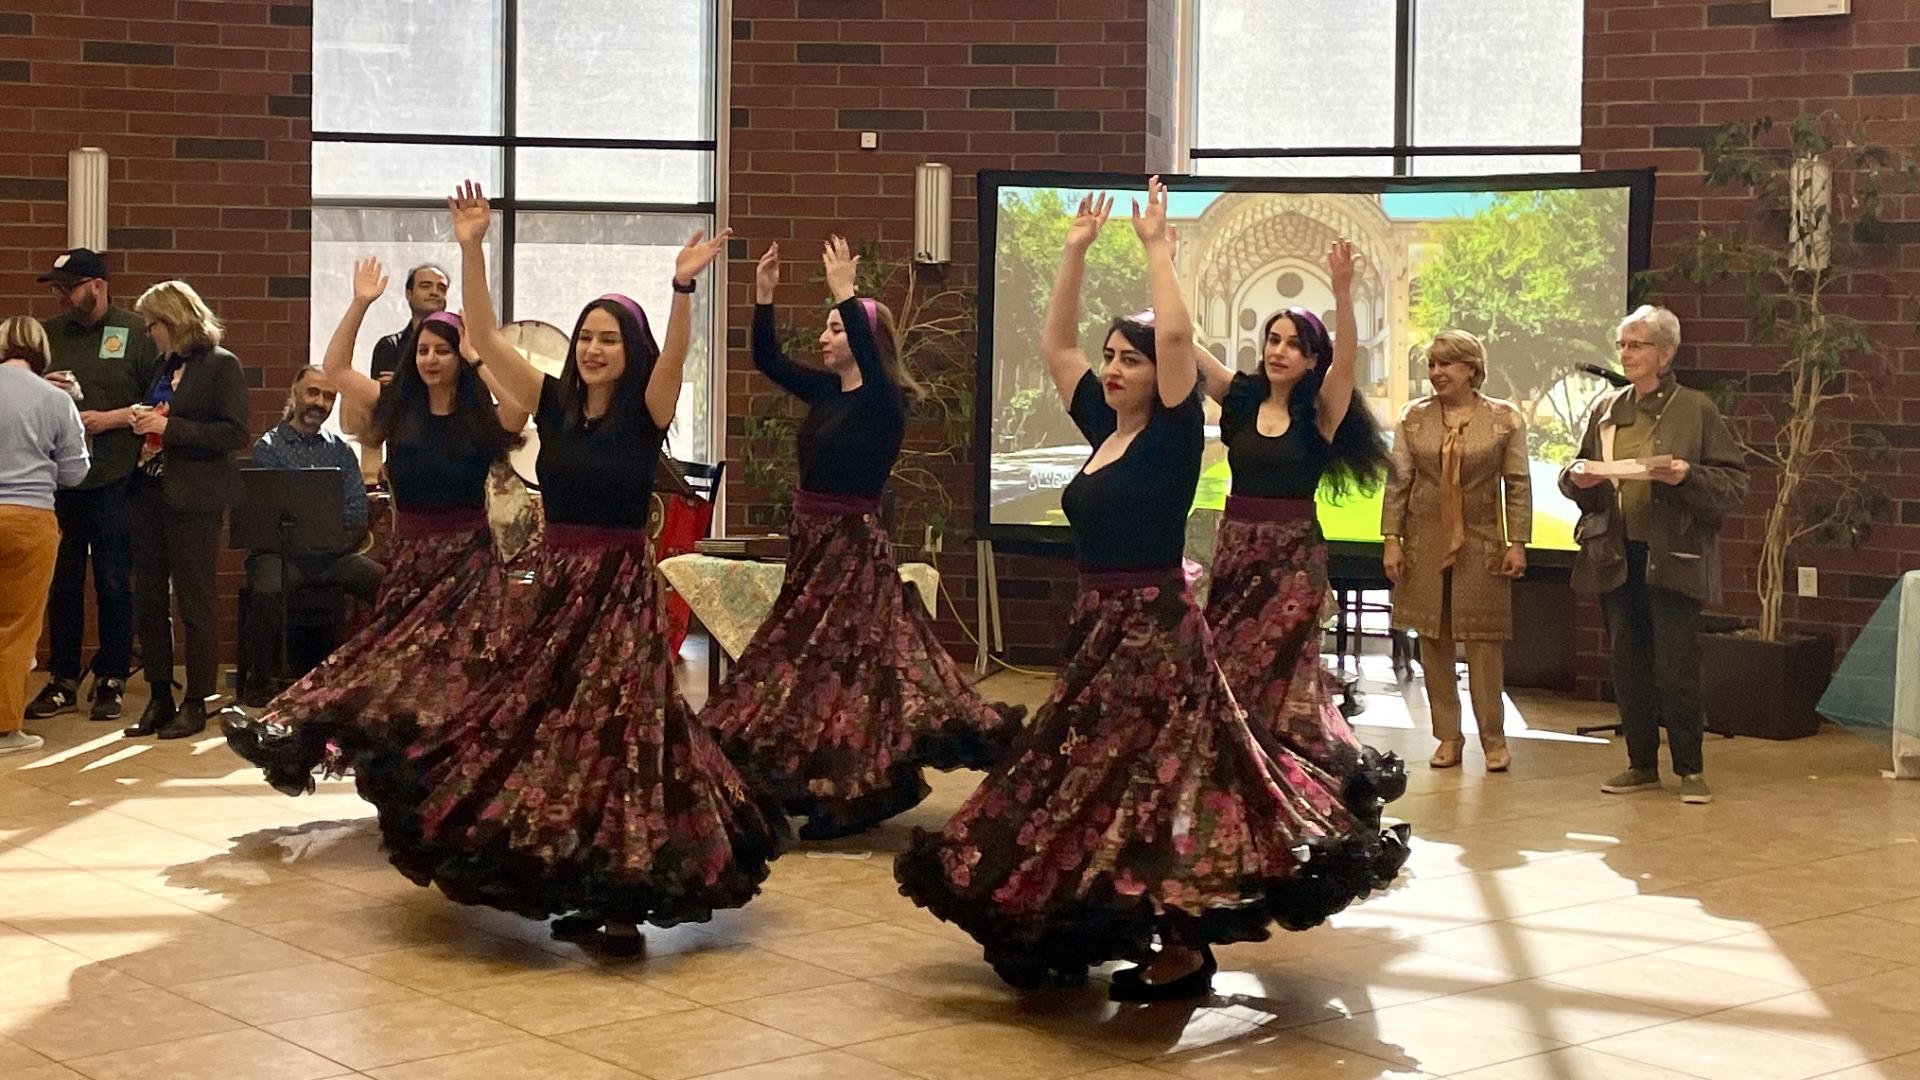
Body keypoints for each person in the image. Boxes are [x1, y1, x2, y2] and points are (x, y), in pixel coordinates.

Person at [896, 181, 1407, 1002]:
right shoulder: (1105, 428)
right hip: (1100, 632)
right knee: (1093, 776)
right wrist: (1072, 254)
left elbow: (1175, 334)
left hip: (1158, 636)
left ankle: (1179, 946)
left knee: (1162, 779)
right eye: (1110, 359)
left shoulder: (1172, 431)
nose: (1113, 368)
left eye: (1128, 359)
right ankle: (1103, 915)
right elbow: (1055, 345)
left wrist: (1157, 250)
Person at [344, 181, 781, 958]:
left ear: (630, 349)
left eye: (608, 337)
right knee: (551, 735)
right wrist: (473, 248)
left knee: (620, 738)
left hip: (618, 593)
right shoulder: (548, 402)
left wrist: (681, 289)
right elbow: (480, 331)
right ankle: (580, 877)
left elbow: (676, 354)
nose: (593, 347)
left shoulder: (647, 411)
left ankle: (622, 899)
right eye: (586, 336)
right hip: (556, 586)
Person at [700, 237, 1025, 840]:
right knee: (806, 665)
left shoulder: (882, 399)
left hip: (850, 549)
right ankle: (813, 780)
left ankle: (851, 791)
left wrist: (847, 292)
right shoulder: (827, 392)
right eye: (825, 328)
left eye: (836, 328)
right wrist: (763, 297)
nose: (824, 338)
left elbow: (874, 371)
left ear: (865, 342)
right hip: (811, 546)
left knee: (843, 668)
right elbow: (769, 361)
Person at [224, 265, 526, 794]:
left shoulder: (479, 420)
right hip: (412, 562)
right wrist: (361, 303)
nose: (430, 359)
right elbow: (337, 367)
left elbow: (521, 406)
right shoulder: (397, 409)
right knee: (375, 662)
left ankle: (454, 777)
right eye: (423, 350)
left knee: (454, 677)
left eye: (442, 350)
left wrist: (480, 353)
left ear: (460, 359)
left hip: (467, 570)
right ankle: (290, 734)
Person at [1189, 236, 1404, 830]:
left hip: (1293, 562)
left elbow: (1350, 360)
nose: (1280, 351)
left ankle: (1291, 787)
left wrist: (1341, 286)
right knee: (1229, 668)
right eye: (1274, 340)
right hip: (1236, 552)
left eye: (1294, 345)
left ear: (1311, 359)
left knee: (1279, 673)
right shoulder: (1237, 400)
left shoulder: (1322, 412)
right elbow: (1187, 346)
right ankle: (1237, 783)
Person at [1564, 305, 1747, 804]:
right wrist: (1577, 477)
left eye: (1637, 345)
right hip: (1616, 552)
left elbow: (1734, 483)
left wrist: (1687, 475)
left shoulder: (1696, 409)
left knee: (1676, 664)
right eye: (1622, 344)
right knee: (1627, 661)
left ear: (1665, 353)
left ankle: (1690, 769)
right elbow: (1578, 470)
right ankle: (1641, 764)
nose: (1626, 354)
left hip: (1675, 554)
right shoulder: (1607, 409)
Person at [1381, 330, 1531, 772]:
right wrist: (1392, 538)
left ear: (1471, 369)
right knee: (1433, 641)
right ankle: (1447, 736)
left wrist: (1517, 542)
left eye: (1446, 364)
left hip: (1481, 542)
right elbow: (1398, 482)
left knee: (1484, 643)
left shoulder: (1503, 420)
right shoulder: (1414, 418)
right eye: (1431, 365)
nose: (1436, 373)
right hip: (1423, 543)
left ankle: (1494, 740)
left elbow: (1517, 484)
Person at [27, 248, 159, 724]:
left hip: (115, 477)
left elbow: (159, 403)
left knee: (112, 581)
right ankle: (63, 678)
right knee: (62, 582)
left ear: (99, 286)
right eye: (59, 288)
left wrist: (114, 418)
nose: (63, 296)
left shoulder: (136, 331)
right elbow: (25, 391)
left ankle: (112, 676)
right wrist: (48, 387)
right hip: (58, 481)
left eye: (72, 287)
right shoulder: (50, 335)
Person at [124, 280, 249, 741]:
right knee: (149, 597)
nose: (150, 333)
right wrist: (144, 419)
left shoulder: (220, 365)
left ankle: (197, 699)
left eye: (153, 324)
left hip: (193, 496)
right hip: (149, 489)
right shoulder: (164, 365)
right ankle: (160, 694)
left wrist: (169, 426)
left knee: (194, 600)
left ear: (174, 321)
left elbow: (234, 433)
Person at [238, 368, 385, 705]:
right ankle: (259, 680)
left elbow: (355, 511)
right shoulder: (268, 448)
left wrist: (333, 539)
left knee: (387, 585)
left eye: (329, 396)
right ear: (295, 393)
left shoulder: (340, 452)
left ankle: (375, 673)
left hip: (331, 556)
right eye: (313, 393)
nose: (320, 402)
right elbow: (265, 516)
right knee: (268, 587)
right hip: (278, 554)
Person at [1, 317, 90, 755]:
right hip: (30, 518)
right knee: (17, 628)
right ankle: (5, 730)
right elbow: (76, 472)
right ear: (42, 350)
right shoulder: (56, 399)